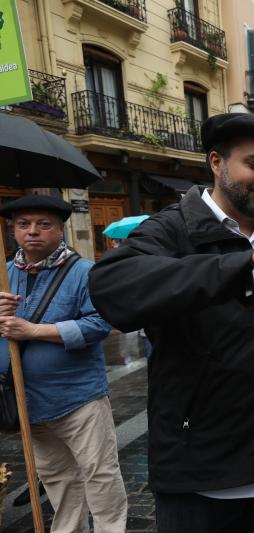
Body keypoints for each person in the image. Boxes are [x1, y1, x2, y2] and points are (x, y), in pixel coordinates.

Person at [88, 113, 254, 533]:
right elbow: (112, 287)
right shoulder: (171, 229)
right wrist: (236, 266)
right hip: (199, 475)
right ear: (216, 162)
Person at [0, 195, 127, 533]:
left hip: (78, 398)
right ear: (13, 230)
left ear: (60, 230)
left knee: (100, 474)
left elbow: (99, 323)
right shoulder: (4, 273)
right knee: (56, 478)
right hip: (29, 401)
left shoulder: (85, 272)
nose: (32, 232)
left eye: (44, 225)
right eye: (23, 224)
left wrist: (34, 330)